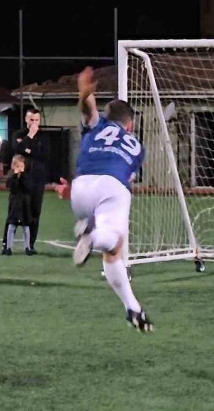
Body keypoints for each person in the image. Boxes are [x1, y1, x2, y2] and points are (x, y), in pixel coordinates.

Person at [56, 66, 152, 332]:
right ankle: (92, 235)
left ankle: (133, 309)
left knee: (112, 253)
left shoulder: (98, 125)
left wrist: (84, 91)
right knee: (114, 242)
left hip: (80, 189)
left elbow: (88, 110)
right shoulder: (137, 147)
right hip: (112, 186)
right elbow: (122, 177)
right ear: (130, 125)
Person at [2, 109, 48, 255]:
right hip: (19, 179)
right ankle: (6, 245)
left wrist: (27, 149)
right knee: (13, 211)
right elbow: (17, 149)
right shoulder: (18, 134)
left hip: (37, 180)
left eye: (36, 120)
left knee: (34, 212)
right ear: (26, 120)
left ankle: (30, 245)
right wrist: (30, 137)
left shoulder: (44, 136)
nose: (34, 123)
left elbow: (43, 154)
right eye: (31, 120)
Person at [2, 155, 34, 256]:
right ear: (13, 166)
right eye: (17, 166)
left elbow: (28, 188)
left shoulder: (27, 177)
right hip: (15, 205)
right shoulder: (11, 177)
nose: (20, 168)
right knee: (12, 225)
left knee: (26, 227)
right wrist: (15, 176)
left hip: (24, 205)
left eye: (21, 166)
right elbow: (12, 187)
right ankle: (8, 247)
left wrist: (22, 176)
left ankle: (27, 247)